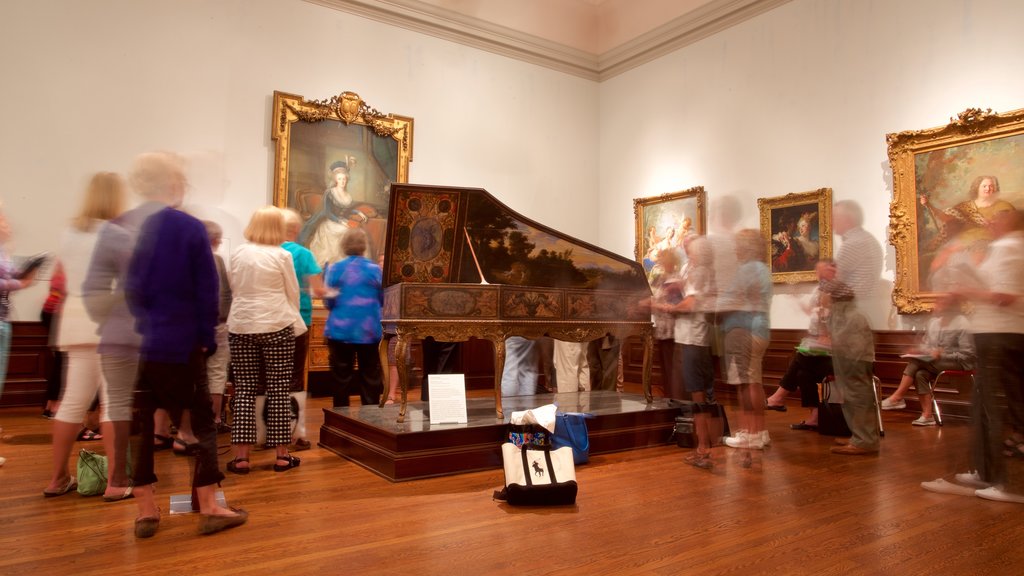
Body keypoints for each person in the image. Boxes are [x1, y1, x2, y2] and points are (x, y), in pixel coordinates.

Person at [123, 151, 247, 537]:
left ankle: (146, 511)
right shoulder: (188, 228)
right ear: (173, 185)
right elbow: (206, 292)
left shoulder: (134, 226)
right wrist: (206, 340)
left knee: (143, 428)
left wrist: (146, 323)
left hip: (145, 343)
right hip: (184, 344)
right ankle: (210, 506)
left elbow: (133, 289)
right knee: (203, 424)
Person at [43, 172, 128, 499]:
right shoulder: (118, 234)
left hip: (76, 317)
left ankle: (57, 478)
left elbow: (63, 278)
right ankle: (115, 483)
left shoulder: (69, 233)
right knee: (113, 403)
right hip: (111, 319)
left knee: (72, 402)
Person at [947, 209, 1024, 502]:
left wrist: (966, 290)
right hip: (1000, 333)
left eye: (999, 218)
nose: (991, 222)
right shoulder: (1006, 248)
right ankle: (986, 471)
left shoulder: (1008, 248)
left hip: (998, 334)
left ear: (1013, 222)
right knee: (986, 404)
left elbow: (1004, 296)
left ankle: (1004, 482)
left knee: (991, 407)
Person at [226, 206, 303, 475]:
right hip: (276, 323)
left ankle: (242, 458)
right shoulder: (282, 255)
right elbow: (293, 292)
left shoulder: (238, 253)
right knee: (279, 389)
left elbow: (233, 287)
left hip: (241, 324)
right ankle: (282, 456)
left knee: (245, 389)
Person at [880, 294, 975, 426]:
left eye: (941, 304)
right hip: (935, 363)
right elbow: (927, 345)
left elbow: (968, 354)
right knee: (920, 374)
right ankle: (927, 415)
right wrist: (919, 351)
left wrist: (941, 355)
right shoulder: (934, 323)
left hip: (959, 363)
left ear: (950, 307)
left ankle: (898, 397)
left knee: (916, 362)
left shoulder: (962, 323)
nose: (936, 306)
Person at [720, 230, 772, 465]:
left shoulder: (747, 269)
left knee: (745, 383)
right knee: (754, 380)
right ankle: (759, 431)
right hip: (760, 329)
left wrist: (713, 303)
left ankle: (749, 435)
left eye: (738, 245)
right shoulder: (762, 269)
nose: (735, 250)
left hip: (744, 329)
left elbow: (734, 299)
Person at [765, 260, 836, 430]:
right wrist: (795, 295)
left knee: (802, 359)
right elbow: (809, 310)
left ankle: (779, 396)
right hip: (821, 353)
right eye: (818, 271)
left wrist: (826, 335)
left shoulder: (839, 290)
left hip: (839, 356)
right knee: (803, 372)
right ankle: (815, 416)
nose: (820, 275)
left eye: (824, 271)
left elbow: (833, 319)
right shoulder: (819, 290)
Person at [668, 236, 717, 469]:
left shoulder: (702, 271)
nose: (686, 250)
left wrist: (667, 307)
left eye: (690, 247)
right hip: (687, 337)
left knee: (699, 395)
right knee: (695, 393)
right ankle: (703, 445)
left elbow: (691, 303)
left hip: (696, 338)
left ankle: (704, 447)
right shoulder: (690, 267)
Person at [821, 263, 880, 456]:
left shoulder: (852, 314)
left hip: (854, 354)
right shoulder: (839, 312)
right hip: (846, 352)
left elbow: (851, 344)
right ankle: (858, 436)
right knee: (850, 396)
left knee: (858, 396)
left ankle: (865, 441)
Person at [323, 227, 384, 407]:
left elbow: (328, 302)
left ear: (344, 245)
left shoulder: (334, 269)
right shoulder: (375, 270)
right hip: (369, 330)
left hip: (340, 331)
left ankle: (340, 424)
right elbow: (383, 299)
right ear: (364, 246)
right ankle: (370, 422)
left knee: (341, 378)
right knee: (371, 377)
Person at [281, 208, 325, 450]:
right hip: (300, 318)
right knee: (295, 377)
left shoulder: (270, 252)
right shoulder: (303, 253)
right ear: (296, 230)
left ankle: (265, 432)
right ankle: (295, 433)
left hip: (273, 320)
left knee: (268, 379)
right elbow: (319, 290)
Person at [0, 204, 40, 467]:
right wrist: (20, 282)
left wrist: (23, 275)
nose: (7, 224)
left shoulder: (4, 252)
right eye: (3, 220)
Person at [300, 160, 377, 266]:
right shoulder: (330, 193)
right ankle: (339, 264)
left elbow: (346, 210)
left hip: (342, 221)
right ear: (336, 179)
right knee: (345, 231)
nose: (342, 181)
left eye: (344, 179)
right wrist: (341, 222)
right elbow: (328, 212)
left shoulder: (347, 195)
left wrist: (358, 212)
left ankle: (358, 264)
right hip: (330, 222)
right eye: (340, 179)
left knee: (359, 233)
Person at [203, 220, 232, 434]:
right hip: (218, 324)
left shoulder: (185, 259)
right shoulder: (217, 260)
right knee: (216, 373)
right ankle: (213, 419)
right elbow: (226, 294)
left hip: (192, 326)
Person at [833, 200, 883, 324]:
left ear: (848, 220)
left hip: (851, 316)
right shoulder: (869, 239)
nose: (831, 222)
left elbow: (831, 282)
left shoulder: (852, 244)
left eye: (834, 218)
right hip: (866, 313)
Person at [643, 247, 682, 398]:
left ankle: (675, 400)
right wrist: (643, 302)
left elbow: (672, 306)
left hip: (673, 331)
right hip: (661, 330)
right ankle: (669, 398)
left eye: (665, 260)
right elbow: (651, 296)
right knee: (665, 368)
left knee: (673, 369)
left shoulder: (677, 279)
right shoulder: (659, 278)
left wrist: (654, 305)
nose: (662, 263)